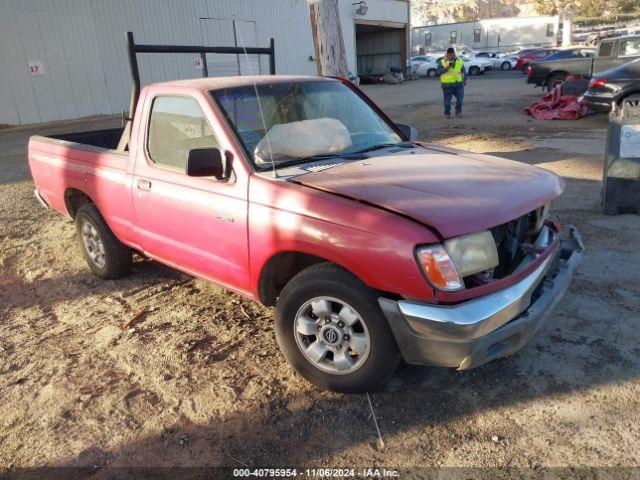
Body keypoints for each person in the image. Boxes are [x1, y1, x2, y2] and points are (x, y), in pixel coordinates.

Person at [437, 47, 467, 118]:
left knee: (460, 99)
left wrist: (465, 80)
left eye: (453, 55)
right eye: (450, 55)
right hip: (447, 85)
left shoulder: (459, 61)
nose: (452, 56)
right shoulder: (442, 61)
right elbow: (438, 72)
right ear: (447, 54)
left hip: (459, 84)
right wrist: (447, 67)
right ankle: (447, 113)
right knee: (447, 101)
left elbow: (463, 71)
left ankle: (458, 112)